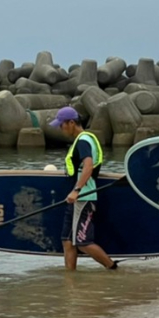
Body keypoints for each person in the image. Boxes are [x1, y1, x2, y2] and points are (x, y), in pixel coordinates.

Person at [51, 106, 118, 272]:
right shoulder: (83, 140)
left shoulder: (83, 141)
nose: (61, 128)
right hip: (77, 198)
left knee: (83, 242)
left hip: (83, 197)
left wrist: (77, 190)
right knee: (67, 241)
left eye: (62, 125)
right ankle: (70, 279)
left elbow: (88, 166)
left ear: (72, 123)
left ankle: (113, 269)